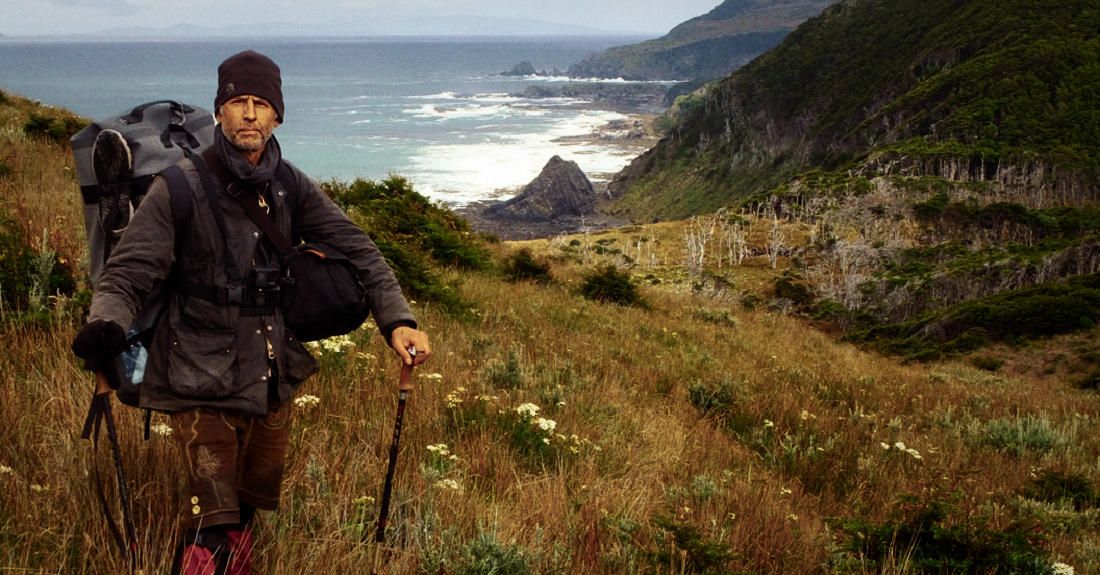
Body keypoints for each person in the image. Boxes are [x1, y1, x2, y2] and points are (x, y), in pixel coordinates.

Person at [70, 50, 431, 575]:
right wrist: (104, 325)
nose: (248, 114)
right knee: (210, 526)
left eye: (260, 103)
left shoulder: (290, 185)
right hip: (197, 372)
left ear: (277, 115)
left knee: (246, 507)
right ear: (219, 111)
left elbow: (359, 250)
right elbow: (127, 274)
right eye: (237, 101)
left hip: (269, 372)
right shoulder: (179, 187)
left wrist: (398, 320)